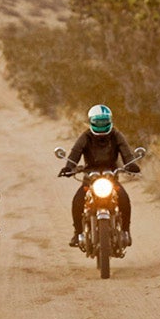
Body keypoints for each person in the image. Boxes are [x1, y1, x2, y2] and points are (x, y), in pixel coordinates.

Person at [59, 103, 140, 247]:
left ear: (110, 121)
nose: (101, 125)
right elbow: (75, 152)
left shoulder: (116, 135)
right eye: (98, 122)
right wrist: (69, 167)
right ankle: (77, 234)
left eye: (104, 122)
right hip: (90, 177)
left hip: (111, 176)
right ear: (91, 122)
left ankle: (126, 231)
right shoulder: (86, 136)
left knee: (124, 199)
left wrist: (131, 164)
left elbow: (125, 151)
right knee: (77, 201)